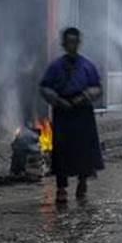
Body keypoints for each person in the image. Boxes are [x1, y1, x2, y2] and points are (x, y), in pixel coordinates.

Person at [39, 28, 104, 204]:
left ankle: (82, 183)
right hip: (63, 110)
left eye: (75, 42)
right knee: (61, 150)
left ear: (78, 43)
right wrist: (57, 100)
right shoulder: (55, 67)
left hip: (82, 110)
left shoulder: (87, 66)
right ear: (64, 44)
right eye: (68, 42)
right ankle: (61, 187)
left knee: (84, 149)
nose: (72, 46)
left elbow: (97, 87)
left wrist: (85, 96)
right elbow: (44, 87)